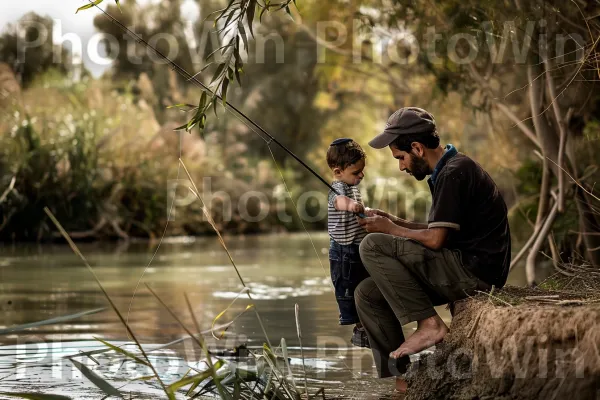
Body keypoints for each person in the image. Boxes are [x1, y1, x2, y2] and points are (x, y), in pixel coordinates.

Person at [355, 107, 511, 392]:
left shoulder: (454, 172)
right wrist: (392, 221)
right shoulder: (446, 170)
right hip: (458, 264)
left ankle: (430, 325)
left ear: (416, 148)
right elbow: (437, 232)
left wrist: (388, 230)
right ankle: (400, 382)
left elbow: (436, 241)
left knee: (373, 245)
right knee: (367, 294)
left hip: (474, 273)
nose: (401, 166)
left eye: (401, 158)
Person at [326, 138, 370, 348]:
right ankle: (359, 328)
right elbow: (340, 203)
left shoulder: (350, 185)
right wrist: (352, 205)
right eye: (356, 172)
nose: (361, 175)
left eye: (362, 171)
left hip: (356, 247)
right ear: (338, 172)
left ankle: (364, 326)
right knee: (347, 287)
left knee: (362, 284)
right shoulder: (337, 189)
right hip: (343, 250)